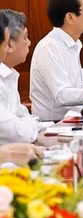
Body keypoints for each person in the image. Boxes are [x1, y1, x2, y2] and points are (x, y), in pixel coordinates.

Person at [0, 10, 44, 143]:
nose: (29, 42)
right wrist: (28, 125)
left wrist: (27, 124)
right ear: (9, 44)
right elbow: (17, 132)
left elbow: (23, 115)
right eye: (25, 37)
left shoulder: (8, 74)